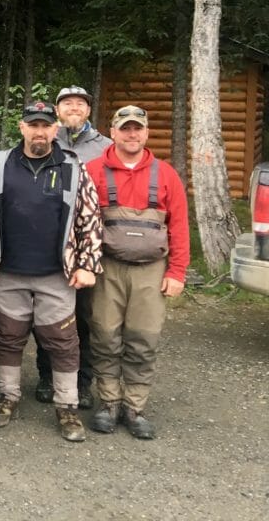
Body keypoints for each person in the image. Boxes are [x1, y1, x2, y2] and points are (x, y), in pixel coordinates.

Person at [0, 100, 103, 442]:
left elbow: (90, 217)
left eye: (46, 125)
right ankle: (7, 396)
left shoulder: (73, 167)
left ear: (55, 129)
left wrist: (88, 264)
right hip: (9, 271)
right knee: (7, 337)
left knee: (62, 342)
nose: (39, 131)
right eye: (33, 125)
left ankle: (67, 405)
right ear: (22, 128)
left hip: (56, 273)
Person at [86, 105, 189, 439]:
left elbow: (180, 228)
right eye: (125, 128)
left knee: (143, 339)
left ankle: (135, 406)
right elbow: (79, 223)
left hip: (151, 270)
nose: (132, 134)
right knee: (104, 336)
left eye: (138, 129)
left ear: (146, 134)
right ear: (112, 132)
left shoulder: (166, 174)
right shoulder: (93, 170)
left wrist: (177, 272)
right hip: (107, 269)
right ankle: (108, 403)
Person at [34, 85, 112, 408]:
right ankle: (46, 375)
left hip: (86, 244)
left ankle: (81, 382)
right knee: (47, 314)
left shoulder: (105, 147)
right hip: (49, 244)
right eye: (67, 103)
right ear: (57, 110)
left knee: (83, 316)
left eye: (80, 103)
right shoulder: (45, 141)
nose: (74, 108)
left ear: (88, 110)